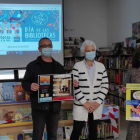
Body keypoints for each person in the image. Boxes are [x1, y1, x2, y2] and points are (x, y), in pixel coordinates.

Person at [22, 37, 65, 140]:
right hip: (39, 108)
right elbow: (24, 82)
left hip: (54, 108)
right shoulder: (32, 66)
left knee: (52, 136)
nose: (47, 47)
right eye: (44, 46)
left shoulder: (59, 66)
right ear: (39, 48)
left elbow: (64, 84)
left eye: (49, 45)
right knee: (37, 136)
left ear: (52, 47)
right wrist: (30, 86)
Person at [70, 40, 109, 140]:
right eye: (88, 50)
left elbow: (105, 85)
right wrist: (85, 103)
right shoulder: (77, 66)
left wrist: (97, 103)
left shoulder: (101, 66)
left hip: (96, 105)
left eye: (93, 50)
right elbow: (74, 87)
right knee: (77, 130)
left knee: (93, 131)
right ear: (84, 52)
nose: (91, 52)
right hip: (81, 105)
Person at [121, 47, 140, 140]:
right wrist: (124, 90)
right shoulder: (132, 70)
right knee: (134, 132)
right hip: (135, 108)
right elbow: (125, 85)